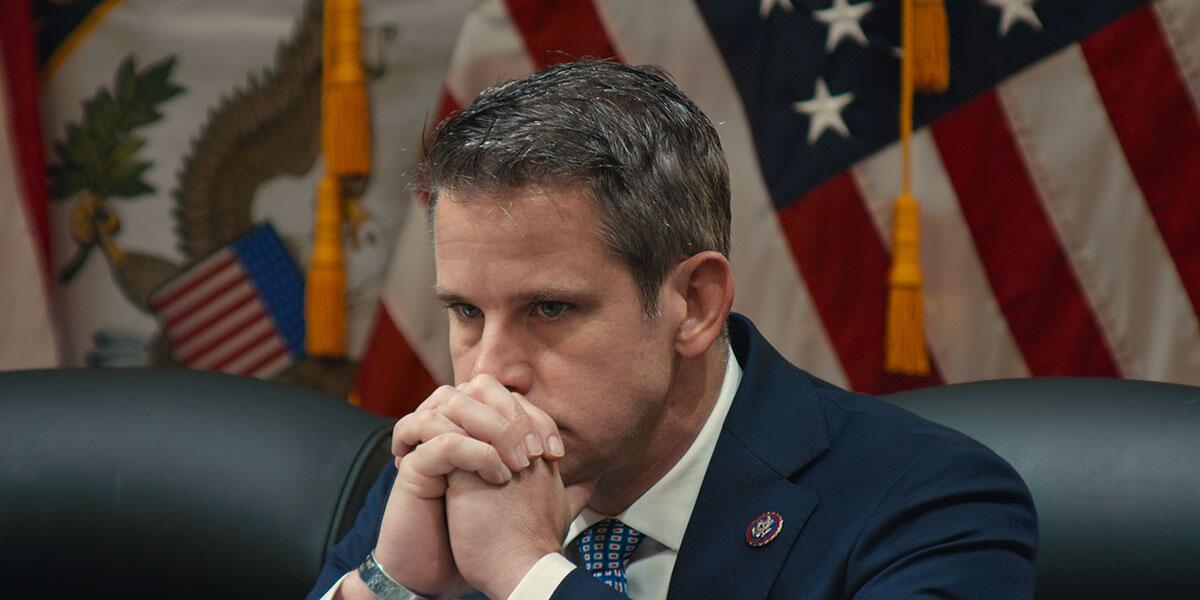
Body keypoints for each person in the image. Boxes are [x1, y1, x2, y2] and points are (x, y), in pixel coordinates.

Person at [308, 60, 1037, 600]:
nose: (489, 374)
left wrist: (531, 577)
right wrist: (389, 584)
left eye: (549, 310)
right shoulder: (451, 469)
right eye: (467, 312)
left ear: (694, 302)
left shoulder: (928, 502)